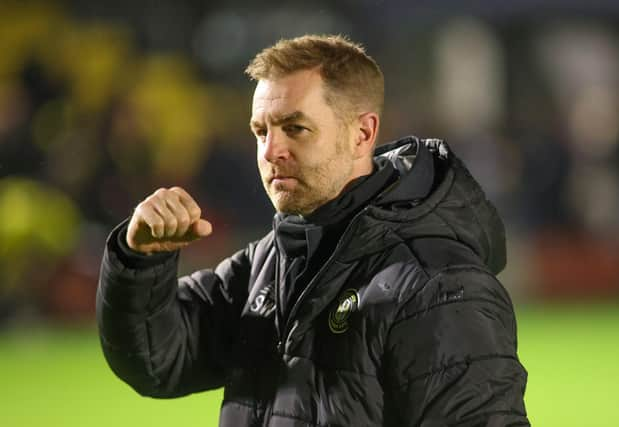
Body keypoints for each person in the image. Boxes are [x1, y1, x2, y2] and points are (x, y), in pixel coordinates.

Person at [97, 34, 529, 426]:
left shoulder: (438, 285)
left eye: (294, 128)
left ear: (362, 133)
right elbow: (159, 361)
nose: (271, 151)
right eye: (260, 131)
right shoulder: (271, 260)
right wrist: (142, 263)